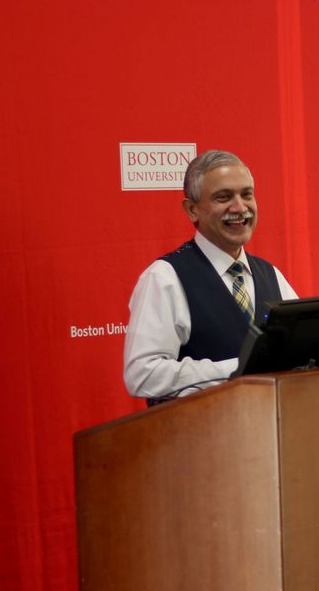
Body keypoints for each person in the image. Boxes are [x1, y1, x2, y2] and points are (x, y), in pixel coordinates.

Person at [123, 149, 297, 403]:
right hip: (199, 438)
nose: (240, 207)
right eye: (223, 197)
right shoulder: (165, 278)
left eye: (246, 194)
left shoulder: (272, 275)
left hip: (270, 435)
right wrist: (237, 369)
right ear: (192, 210)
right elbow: (142, 375)